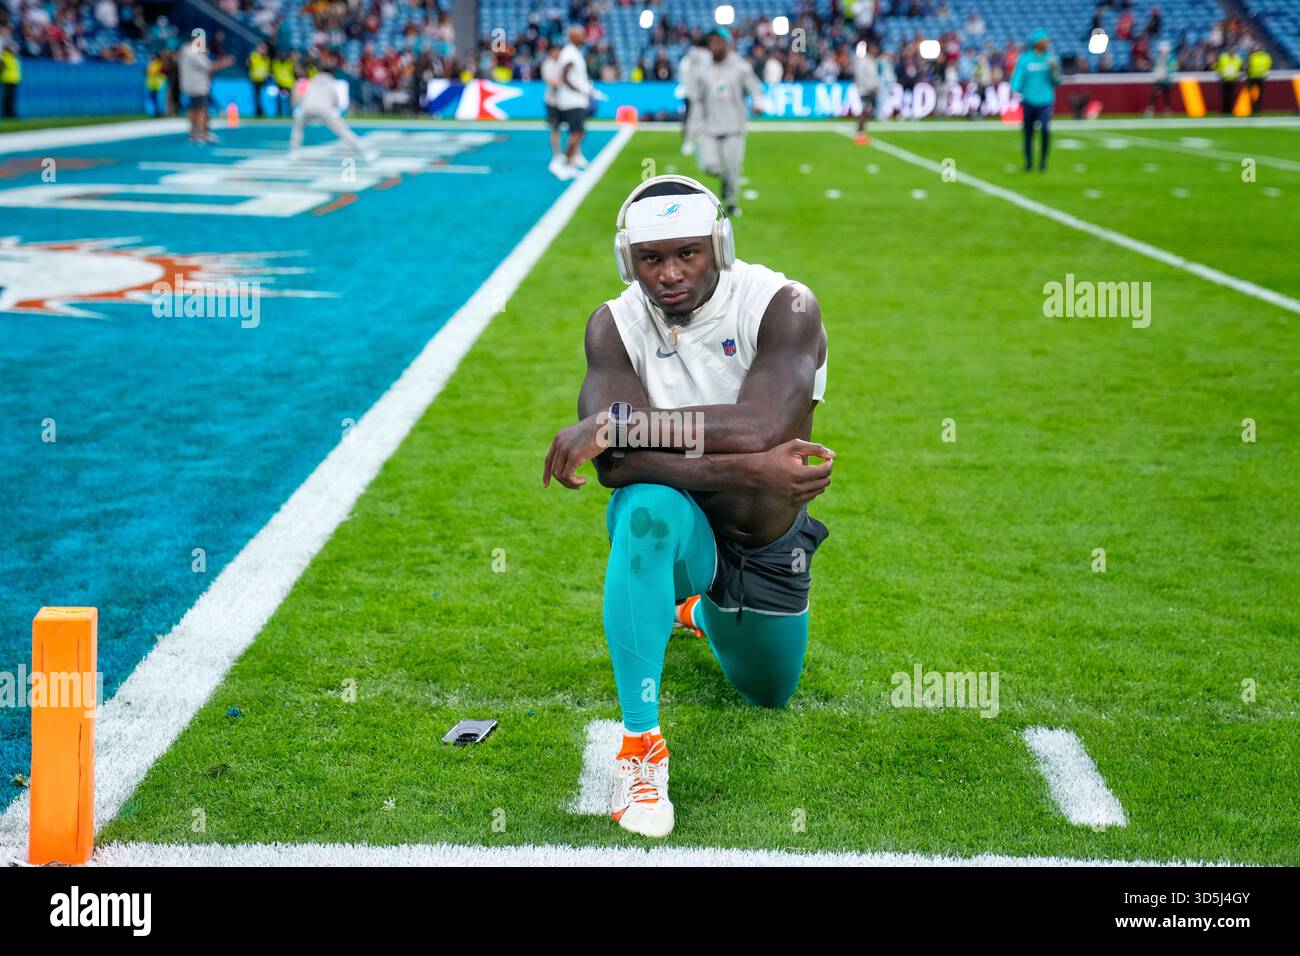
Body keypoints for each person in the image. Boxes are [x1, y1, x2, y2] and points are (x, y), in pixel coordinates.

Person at [542, 175, 832, 838]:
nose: (669, 274)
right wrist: (752, 468)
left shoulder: (784, 305)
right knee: (645, 510)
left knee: (768, 694)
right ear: (628, 261)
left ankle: (698, 612)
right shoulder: (613, 327)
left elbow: (761, 423)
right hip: (683, 529)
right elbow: (614, 469)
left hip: (765, 541)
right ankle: (642, 747)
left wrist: (621, 425)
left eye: (687, 254)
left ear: (719, 245)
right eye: (651, 259)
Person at [688, 27, 765, 217]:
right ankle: (724, 180)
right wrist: (693, 127)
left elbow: (755, 88)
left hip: (734, 128)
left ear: (727, 43)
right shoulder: (703, 68)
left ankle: (731, 202)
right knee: (708, 165)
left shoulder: (740, 67)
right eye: (710, 42)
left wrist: (757, 103)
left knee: (733, 168)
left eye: (716, 42)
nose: (713, 46)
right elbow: (696, 98)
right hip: (709, 128)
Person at [289, 65, 378, 161]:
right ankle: (365, 153)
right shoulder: (331, 83)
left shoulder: (312, 81)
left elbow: (301, 96)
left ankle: (293, 152)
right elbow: (336, 102)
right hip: (324, 109)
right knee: (344, 131)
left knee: (298, 128)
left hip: (307, 107)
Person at [1010, 28, 1060, 172]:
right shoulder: (1025, 59)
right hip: (1029, 100)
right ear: (1037, 42)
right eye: (1044, 40)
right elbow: (1018, 77)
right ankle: (1029, 163)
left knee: (1045, 130)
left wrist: (1054, 70)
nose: (1046, 43)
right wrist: (1015, 89)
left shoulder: (1051, 59)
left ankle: (1043, 162)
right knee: (1028, 133)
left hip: (1045, 100)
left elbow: (1057, 81)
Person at [177, 30, 233, 144]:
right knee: (202, 109)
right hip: (197, 85)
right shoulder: (193, 51)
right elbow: (207, 66)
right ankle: (203, 134)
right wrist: (224, 63)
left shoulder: (185, 49)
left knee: (193, 108)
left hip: (190, 84)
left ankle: (193, 134)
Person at [553, 25, 592, 180]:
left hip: (576, 99)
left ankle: (571, 160)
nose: (583, 36)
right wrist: (579, 89)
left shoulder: (574, 52)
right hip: (572, 100)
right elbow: (565, 75)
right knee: (576, 132)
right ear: (573, 37)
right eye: (580, 34)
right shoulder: (569, 52)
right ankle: (565, 163)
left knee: (579, 131)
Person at [678, 37, 709, 156]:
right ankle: (688, 142)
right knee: (690, 119)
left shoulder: (687, 60)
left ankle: (693, 142)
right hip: (692, 94)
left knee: (697, 119)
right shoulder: (692, 60)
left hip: (694, 93)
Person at [540, 42, 566, 178]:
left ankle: (567, 154)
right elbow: (552, 81)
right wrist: (564, 82)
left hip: (563, 101)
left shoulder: (561, 63)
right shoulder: (547, 64)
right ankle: (556, 154)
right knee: (555, 128)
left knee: (570, 127)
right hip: (552, 101)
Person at [853, 41, 879, 145]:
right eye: (873, 48)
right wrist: (869, 86)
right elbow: (860, 76)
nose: (875, 50)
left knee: (866, 112)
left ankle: (861, 133)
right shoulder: (864, 61)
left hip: (868, 90)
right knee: (864, 111)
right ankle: (860, 133)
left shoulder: (871, 61)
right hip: (865, 90)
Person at [1148, 40, 1176, 115]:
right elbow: (1155, 68)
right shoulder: (1158, 58)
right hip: (1159, 79)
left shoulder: (1170, 59)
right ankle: (1151, 109)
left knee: (1166, 95)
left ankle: (1167, 109)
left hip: (1166, 80)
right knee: (1154, 94)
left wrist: (1170, 78)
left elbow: (1172, 69)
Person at [1215, 45, 1242, 115]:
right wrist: (1220, 75)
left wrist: (1237, 77)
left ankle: (1231, 110)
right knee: (1225, 96)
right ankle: (1225, 110)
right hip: (1224, 79)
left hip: (1233, 80)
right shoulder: (1223, 57)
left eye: (1233, 50)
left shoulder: (1237, 59)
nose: (1232, 52)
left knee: (1231, 96)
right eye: (1231, 50)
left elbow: (1238, 69)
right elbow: (1218, 67)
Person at [1246, 45, 1271, 116]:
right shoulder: (1252, 56)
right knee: (1252, 94)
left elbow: (1268, 65)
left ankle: (1256, 109)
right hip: (1252, 77)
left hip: (1259, 77)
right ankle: (1253, 109)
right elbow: (1247, 66)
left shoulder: (1263, 57)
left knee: (1259, 95)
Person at [1, 26, 20, 120]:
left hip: (13, 80)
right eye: (12, 48)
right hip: (7, 80)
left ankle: (11, 114)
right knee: (8, 99)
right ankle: (9, 115)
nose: (14, 49)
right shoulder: (4, 57)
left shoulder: (12, 57)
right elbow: (2, 68)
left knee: (11, 99)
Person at [247, 42, 271, 118]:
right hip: (255, 79)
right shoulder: (254, 56)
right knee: (257, 96)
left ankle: (261, 111)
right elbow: (248, 64)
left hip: (263, 80)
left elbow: (267, 69)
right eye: (262, 48)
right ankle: (258, 112)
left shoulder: (267, 59)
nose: (264, 50)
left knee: (261, 96)